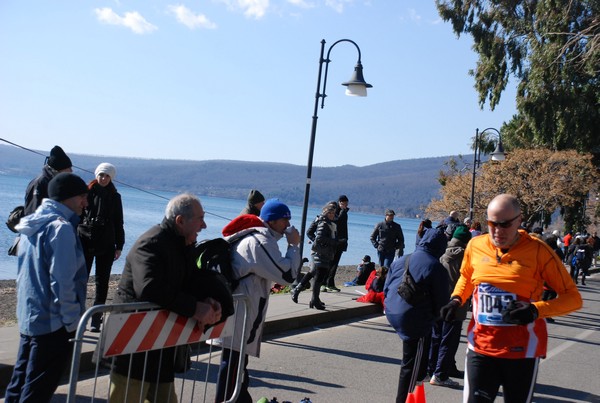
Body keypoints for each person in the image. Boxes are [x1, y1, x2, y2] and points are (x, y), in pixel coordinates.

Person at [440, 194, 582, 403]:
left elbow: (573, 298)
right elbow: (467, 277)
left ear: (519, 220)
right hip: (481, 347)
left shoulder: (539, 251)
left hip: (521, 351)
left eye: (505, 225)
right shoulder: (475, 246)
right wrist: (456, 300)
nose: (498, 231)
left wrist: (535, 310)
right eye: (492, 224)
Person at [109, 193, 222, 403]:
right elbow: (150, 288)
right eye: (200, 218)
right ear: (180, 221)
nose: (204, 225)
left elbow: (188, 281)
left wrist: (207, 300)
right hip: (133, 344)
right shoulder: (151, 243)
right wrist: (195, 308)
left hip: (159, 343)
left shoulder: (183, 244)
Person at [5, 173, 89, 402]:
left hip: (30, 319)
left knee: (19, 383)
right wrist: (72, 322)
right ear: (67, 198)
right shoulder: (60, 228)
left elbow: (23, 276)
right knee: (37, 389)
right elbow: (63, 282)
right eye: (82, 196)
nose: (86, 202)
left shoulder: (33, 225)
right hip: (53, 324)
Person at [216, 198, 301, 403]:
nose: (288, 225)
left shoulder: (258, 237)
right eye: (284, 220)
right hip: (239, 314)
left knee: (237, 367)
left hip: (240, 310)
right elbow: (288, 275)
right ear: (271, 221)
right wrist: (294, 246)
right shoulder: (260, 241)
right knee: (233, 367)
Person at [384, 227, 450, 403]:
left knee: (413, 359)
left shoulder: (402, 260)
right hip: (414, 318)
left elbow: (386, 287)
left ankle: (415, 385)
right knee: (412, 364)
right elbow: (443, 302)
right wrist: (434, 318)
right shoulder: (436, 267)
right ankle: (404, 398)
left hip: (393, 310)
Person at [78, 163, 125, 332]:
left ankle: (96, 320)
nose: (103, 179)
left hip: (106, 243)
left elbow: (119, 222)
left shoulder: (115, 197)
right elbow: (78, 215)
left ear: (111, 178)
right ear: (96, 175)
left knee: (102, 282)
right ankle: (79, 318)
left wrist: (119, 245)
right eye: (101, 175)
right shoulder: (86, 192)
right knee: (81, 280)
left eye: (107, 176)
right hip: (86, 240)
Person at [428, 225, 472, 388]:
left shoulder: (443, 253)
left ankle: (432, 369)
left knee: (436, 337)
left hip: (439, 302)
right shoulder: (466, 257)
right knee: (449, 340)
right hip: (456, 303)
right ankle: (440, 374)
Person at [291, 203, 338, 309]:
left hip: (325, 252)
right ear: (325, 210)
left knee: (315, 273)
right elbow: (311, 233)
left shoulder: (332, 222)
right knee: (316, 273)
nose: (332, 214)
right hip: (319, 252)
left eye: (333, 212)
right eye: (330, 211)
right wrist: (317, 243)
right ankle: (309, 296)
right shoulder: (321, 221)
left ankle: (311, 297)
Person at [24, 145, 73, 216]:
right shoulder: (40, 183)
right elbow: (33, 210)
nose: (71, 171)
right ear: (59, 169)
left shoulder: (53, 183)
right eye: (68, 168)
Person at [324, 195, 349, 292]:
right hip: (335, 241)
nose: (345, 206)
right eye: (343, 204)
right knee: (331, 263)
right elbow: (337, 221)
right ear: (339, 203)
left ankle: (329, 282)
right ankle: (327, 283)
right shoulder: (337, 212)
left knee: (334, 263)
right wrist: (342, 211)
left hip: (341, 241)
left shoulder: (344, 212)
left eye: (346, 204)